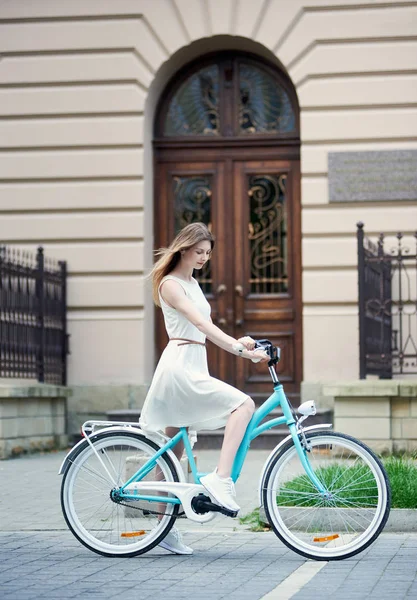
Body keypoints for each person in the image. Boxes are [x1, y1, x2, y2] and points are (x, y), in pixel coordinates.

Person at [139, 222, 269, 555]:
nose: (203, 258)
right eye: (199, 252)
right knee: (243, 405)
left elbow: (205, 326)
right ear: (183, 248)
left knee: (171, 451)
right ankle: (221, 478)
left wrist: (239, 341)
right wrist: (241, 351)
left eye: (208, 253)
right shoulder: (170, 284)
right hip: (180, 364)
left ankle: (161, 529)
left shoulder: (193, 283)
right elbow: (199, 324)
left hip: (194, 359)